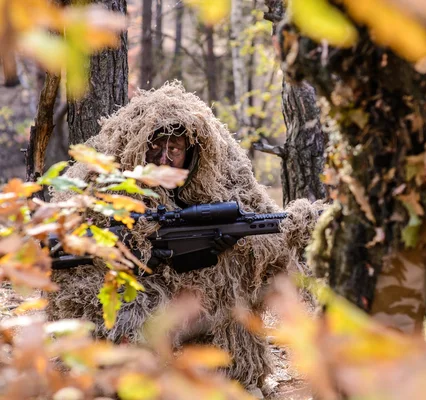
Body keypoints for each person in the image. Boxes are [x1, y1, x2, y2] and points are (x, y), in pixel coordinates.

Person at [47, 81, 325, 392]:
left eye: (175, 149)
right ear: (138, 146)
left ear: (191, 154)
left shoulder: (225, 177)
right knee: (127, 322)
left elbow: (262, 228)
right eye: (155, 147)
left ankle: (230, 378)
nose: (164, 159)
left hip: (194, 301)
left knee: (232, 293)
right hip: (133, 298)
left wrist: (224, 251)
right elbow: (69, 253)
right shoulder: (104, 178)